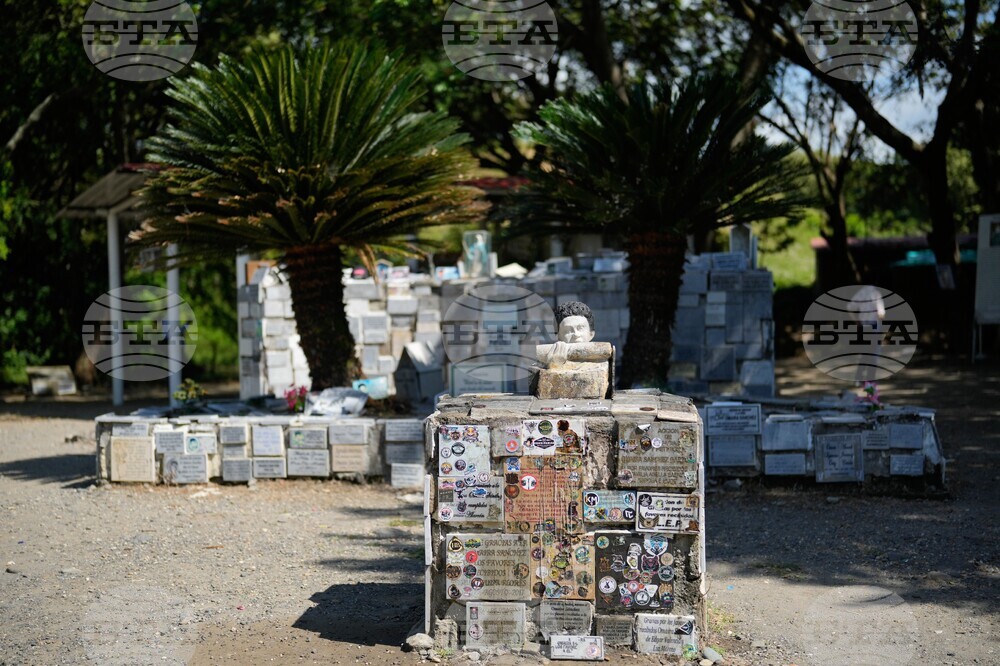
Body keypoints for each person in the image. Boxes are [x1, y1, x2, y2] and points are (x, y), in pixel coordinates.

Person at [546, 301, 596, 367]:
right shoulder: (541, 365)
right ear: (557, 336)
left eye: (580, 328)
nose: (576, 334)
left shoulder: (603, 362)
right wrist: (554, 366)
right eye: (568, 330)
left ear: (591, 334)